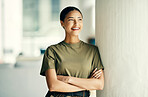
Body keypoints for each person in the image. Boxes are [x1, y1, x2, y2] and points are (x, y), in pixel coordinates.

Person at [40, 6, 104, 97]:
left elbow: (99, 84)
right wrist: (87, 84)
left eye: (79, 19)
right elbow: (53, 86)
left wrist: (68, 79)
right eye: (71, 20)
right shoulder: (52, 51)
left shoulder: (92, 50)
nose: (76, 23)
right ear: (62, 23)